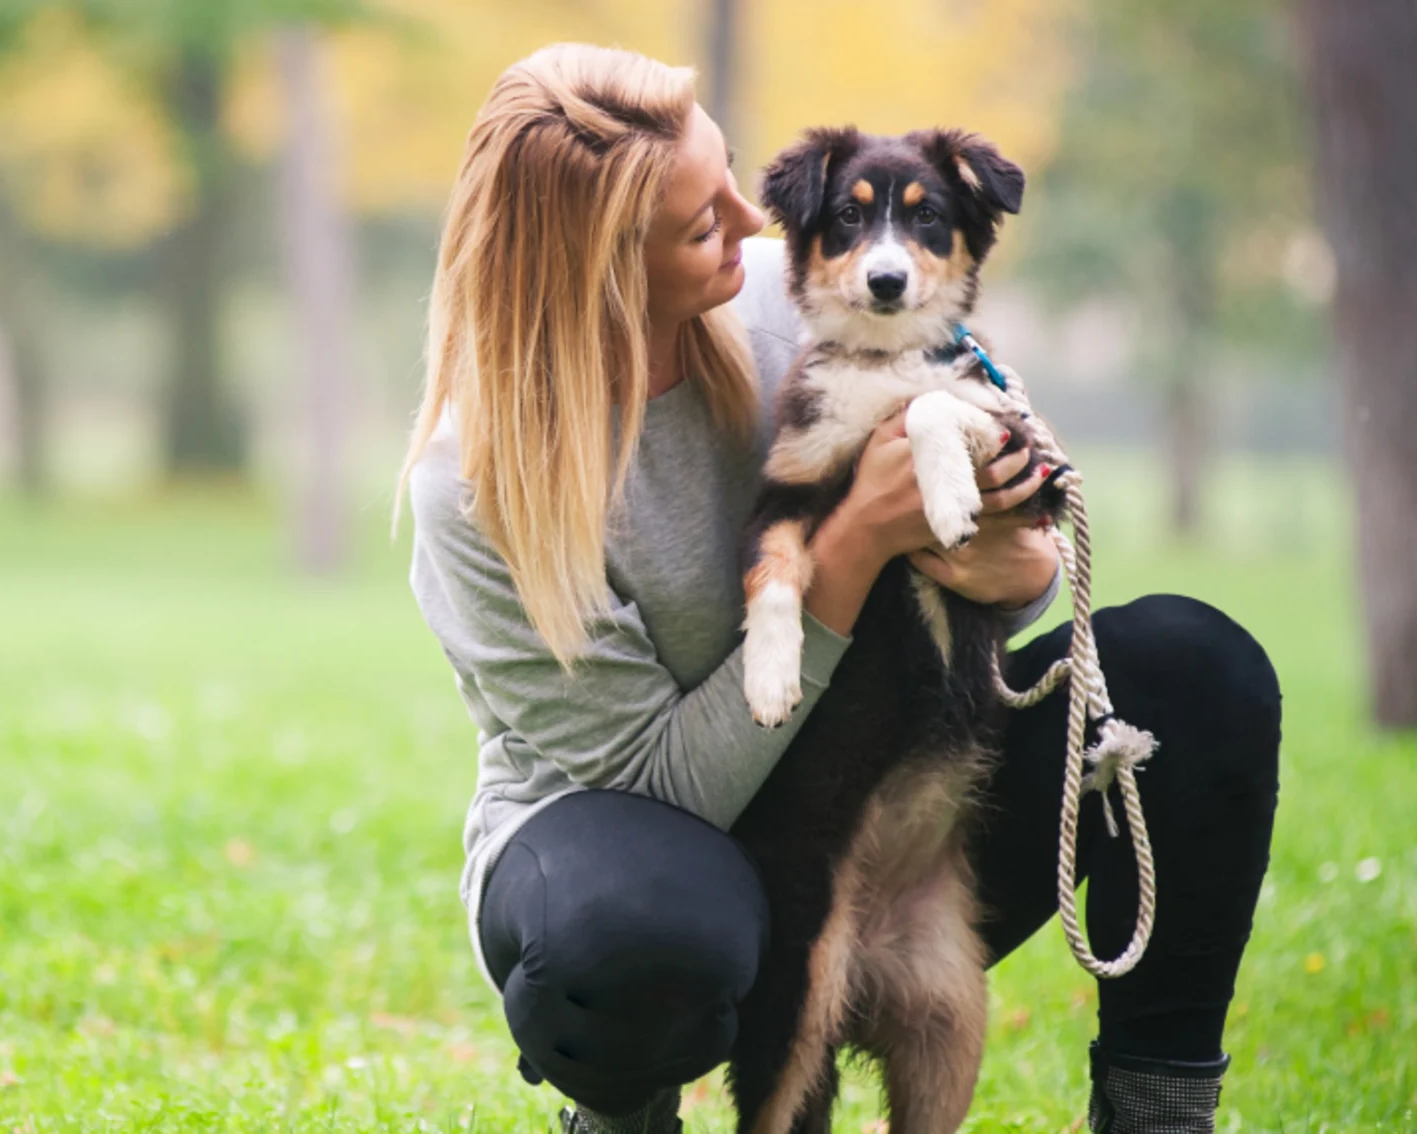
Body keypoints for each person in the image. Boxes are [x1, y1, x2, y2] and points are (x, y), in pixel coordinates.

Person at [400, 43, 1281, 1134]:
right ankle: (626, 1111)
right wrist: (855, 543)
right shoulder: (479, 482)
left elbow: (996, 563)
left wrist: (1020, 568)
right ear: (600, 269)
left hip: (898, 784)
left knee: (1193, 672)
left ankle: (1157, 1112)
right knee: (640, 926)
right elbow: (656, 786)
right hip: (653, 845)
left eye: (727, 174)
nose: (753, 221)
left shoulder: (812, 291)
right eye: (700, 221)